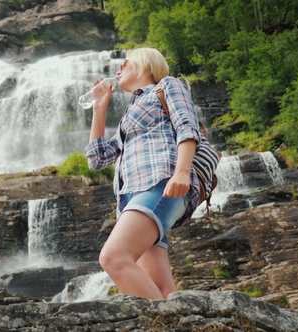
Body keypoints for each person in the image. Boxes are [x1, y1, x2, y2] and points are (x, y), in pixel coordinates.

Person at [85, 47, 202, 300]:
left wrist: (181, 172)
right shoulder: (130, 112)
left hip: (160, 184)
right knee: (160, 289)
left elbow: (186, 125)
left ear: (144, 65)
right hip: (131, 197)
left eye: (124, 63)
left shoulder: (167, 86)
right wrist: (99, 109)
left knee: (113, 257)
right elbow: (97, 159)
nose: (118, 70)